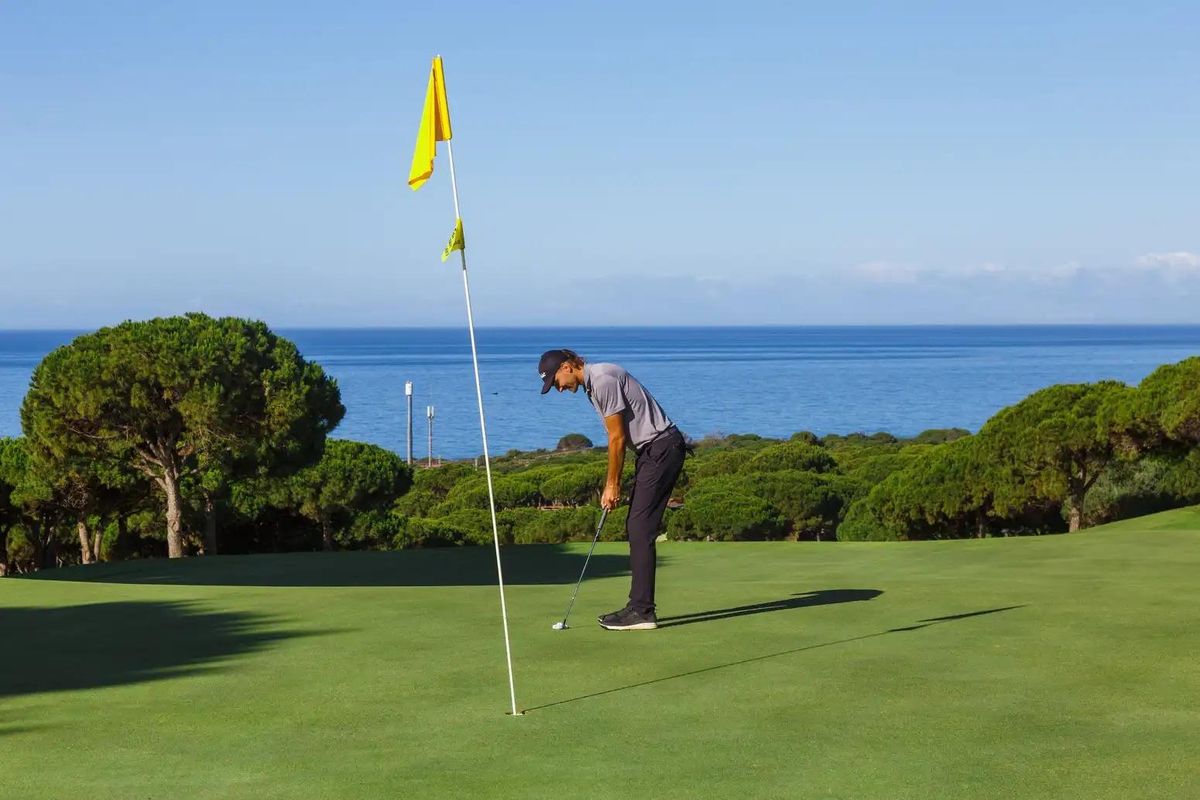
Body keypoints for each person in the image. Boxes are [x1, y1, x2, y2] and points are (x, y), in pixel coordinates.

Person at [538, 348, 688, 631]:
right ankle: (638, 607)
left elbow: (617, 438)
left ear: (567, 366)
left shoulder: (603, 379)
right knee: (638, 526)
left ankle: (642, 611)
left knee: (640, 527)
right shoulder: (595, 383)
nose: (557, 389)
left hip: (660, 449)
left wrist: (612, 485)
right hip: (653, 451)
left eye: (555, 381)